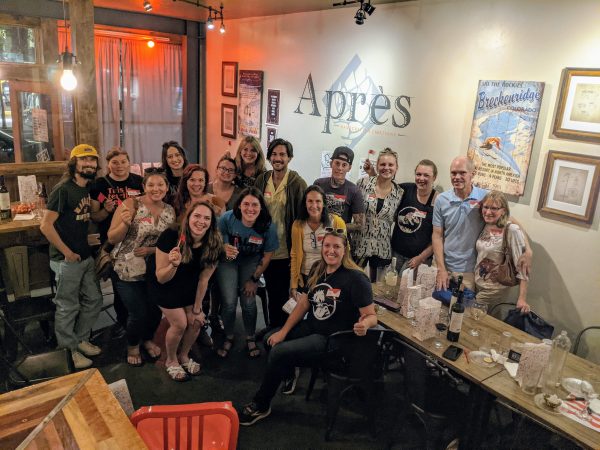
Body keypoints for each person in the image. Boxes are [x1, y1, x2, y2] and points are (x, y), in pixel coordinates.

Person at [238, 230, 377, 426]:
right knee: (269, 339)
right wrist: (283, 332)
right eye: (327, 246)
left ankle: (261, 404)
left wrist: (364, 324)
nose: (331, 250)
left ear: (345, 250)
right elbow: (304, 304)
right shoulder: (317, 269)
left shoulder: (356, 278)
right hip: (312, 326)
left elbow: (371, 315)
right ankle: (287, 371)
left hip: (332, 339)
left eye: (337, 246)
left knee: (278, 352)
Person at [40, 144, 104, 369]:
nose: (89, 164)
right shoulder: (63, 189)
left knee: (94, 300)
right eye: (84, 160)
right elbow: (45, 226)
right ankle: (68, 351)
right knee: (67, 306)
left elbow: (87, 216)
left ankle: (79, 340)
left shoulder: (87, 188)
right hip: (66, 260)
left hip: (85, 256)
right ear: (74, 163)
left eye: (92, 160)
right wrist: (67, 252)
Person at [146, 201, 223, 381]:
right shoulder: (171, 235)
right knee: (180, 323)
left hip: (189, 285)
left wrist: (197, 309)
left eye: (206, 218)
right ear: (188, 217)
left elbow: (204, 279)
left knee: (196, 321)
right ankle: (171, 361)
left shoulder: (214, 242)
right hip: (164, 284)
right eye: (197, 216)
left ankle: (184, 356)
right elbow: (161, 277)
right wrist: (174, 264)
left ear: (212, 222)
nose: (201, 221)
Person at [107, 168, 175, 366]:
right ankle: (133, 345)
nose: (156, 188)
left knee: (155, 312)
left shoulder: (170, 211)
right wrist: (125, 225)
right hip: (126, 269)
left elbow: (171, 244)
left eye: (160, 184)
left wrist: (152, 251)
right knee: (138, 312)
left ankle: (147, 339)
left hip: (154, 270)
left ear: (167, 187)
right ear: (144, 187)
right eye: (151, 185)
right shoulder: (131, 204)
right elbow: (112, 238)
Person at [432, 156, 532, 291]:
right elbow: (437, 235)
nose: (457, 177)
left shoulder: (484, 198)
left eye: (462, 173)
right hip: (441, 265)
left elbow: (509, 219)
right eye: (453, 173)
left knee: (461, 310)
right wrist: (441, 268)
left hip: (468, 271)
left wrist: (528, 250)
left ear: (472, 173)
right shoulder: (441, 199)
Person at [216, 188, 278, 358]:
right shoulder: (227, 218)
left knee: (249, 301)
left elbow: (267, 256)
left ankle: (250, 336)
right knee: (228, 303)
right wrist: (223, 247)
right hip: (228, 261)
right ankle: (229, 335)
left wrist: (254, 279)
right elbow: (216, 241)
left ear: (261, 207)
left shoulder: (267, 225)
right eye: (246, 204)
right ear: (239, 205)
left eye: (255, 205)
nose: (250, 209)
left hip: (251, 261)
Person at [254, 138, 307, 330]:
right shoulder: (262, 180)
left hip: (286, 250)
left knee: (284, 294)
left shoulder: (297, 183)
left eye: (282, 154)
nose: (278, 158)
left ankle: (283, 331)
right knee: (270, 291)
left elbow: (303, 216)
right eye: (274, 154)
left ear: (289, 158)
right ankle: (272, 329)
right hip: (264, 248)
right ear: (269, 157)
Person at [90, 147, 143, 330]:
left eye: (123, 161)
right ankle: (123, 322)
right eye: (115, 162)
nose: (119, 166)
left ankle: (138, 320)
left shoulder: (140, 182)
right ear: (108, 164)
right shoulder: (99, 185)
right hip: (113, 241)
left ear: (129, 162)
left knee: (139, 282)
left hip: (137, 241)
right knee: (119, 286)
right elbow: (95, 217)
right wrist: (106, 210)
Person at [352, 148, 404, 282]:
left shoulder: (400, 193)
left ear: (396, 167)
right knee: (353, 284)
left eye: (390, 165)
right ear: (377, 166)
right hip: (359, 246)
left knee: (377, 291)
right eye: (383, 164)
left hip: (382, 248)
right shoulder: (362, 184)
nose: (386, 168)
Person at [475, 191, 530, 312]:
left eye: (494, 208)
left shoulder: (512, 230)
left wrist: (522, 298)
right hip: (478, 284)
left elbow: (522, 267)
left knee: (474, 316)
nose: (488, 212)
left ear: (503, 210)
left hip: (495, 289)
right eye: (486, 207)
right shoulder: (486, 224)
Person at [290, 185, 346, 296]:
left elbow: (345, 252)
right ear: (305, 204)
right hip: (305, 278)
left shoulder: (336, 222)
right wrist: (293, 285)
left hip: (329, 277)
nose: (314, 205)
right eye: (310, 201)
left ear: (324, 203)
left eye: (318, 201)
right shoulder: (298, 225)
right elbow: (295, 255)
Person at [391, 159, 439, 274]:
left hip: (419, 259)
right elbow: (384, 187)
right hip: (395, 254)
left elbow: (438, 237)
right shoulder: (405, 189)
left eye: (426, 175)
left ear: (434, 177)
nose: (421, 178)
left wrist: (420, 258)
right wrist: (372, 174)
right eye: (418, 174)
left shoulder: (438, 200)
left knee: (408, 291)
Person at [313, 146, 365, 234]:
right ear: (331, 164)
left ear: (349, 168)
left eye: (344, 165)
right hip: (318, 238)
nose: (340, 168)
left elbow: (360, 225)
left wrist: (335, 227)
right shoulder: (319, 184)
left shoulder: (354, 191)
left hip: (340, 242)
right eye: (337, 163)